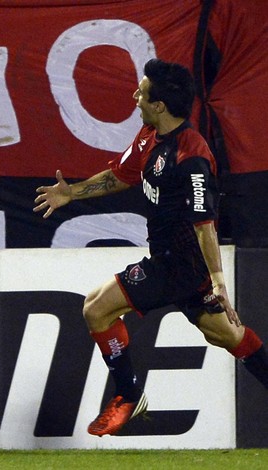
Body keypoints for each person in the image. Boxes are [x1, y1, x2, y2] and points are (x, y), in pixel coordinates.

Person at [34, 58, 268, 437]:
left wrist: (219, 281)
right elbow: (120, 175)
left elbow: (204, 223)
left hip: (178, 265)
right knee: (229, 336)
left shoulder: (190, 156)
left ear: (159, 105)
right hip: (178, 266)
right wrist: (71, 193)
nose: (135, 96)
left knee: (96, 310)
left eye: (141, 93)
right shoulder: (148, 136)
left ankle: (128, 395)